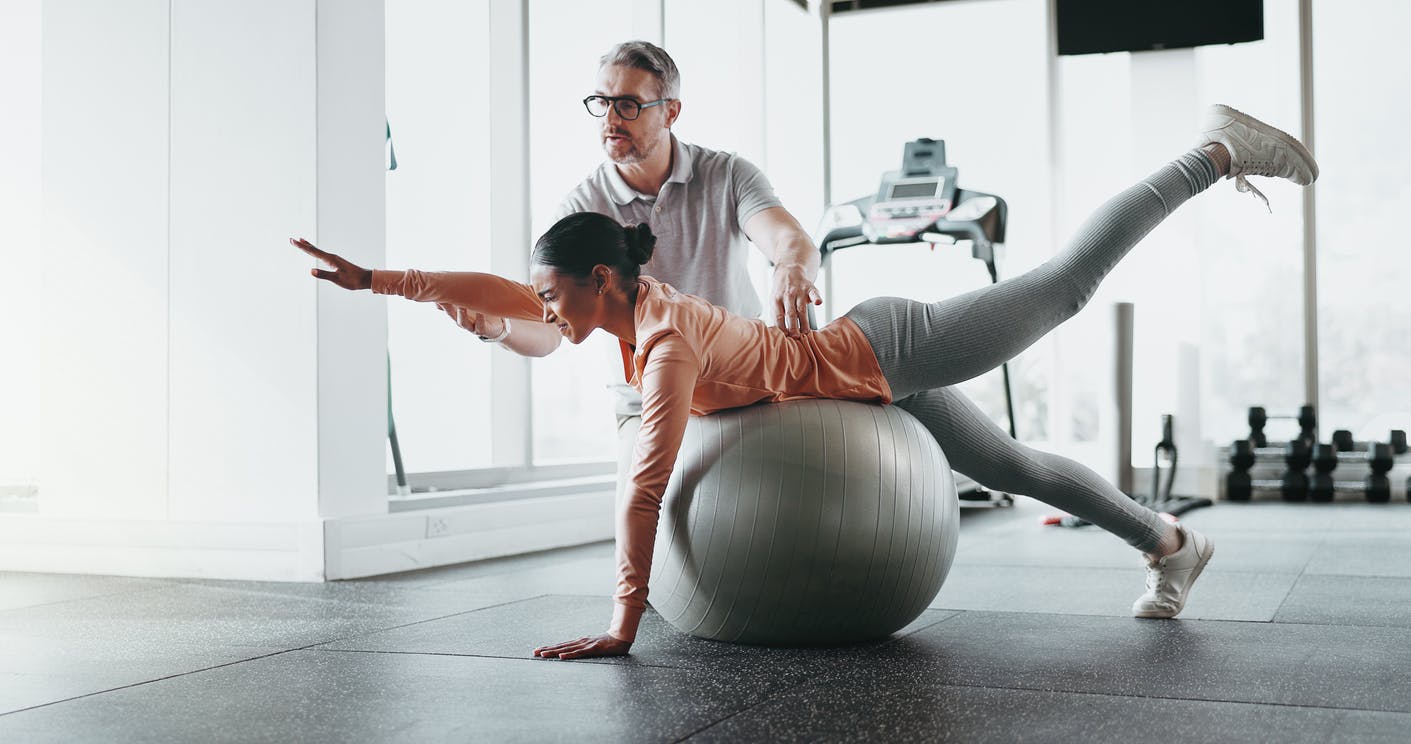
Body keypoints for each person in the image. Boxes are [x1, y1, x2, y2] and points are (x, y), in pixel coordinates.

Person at [293, 104, 1317, 659]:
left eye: (555, 298)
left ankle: (1215, 151)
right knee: (1008, 466)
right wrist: (382, 281)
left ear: (602, 281)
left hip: (882, 354)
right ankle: (1172, 545)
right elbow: (501, 292)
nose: (542, 311)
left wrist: (622, 620)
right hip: (853, 391)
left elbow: (648, 487)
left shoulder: (662, 348)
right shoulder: (610, 298)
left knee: (1063, 287)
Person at [438, 40, 822, 502]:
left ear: (671, 112)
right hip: (645, 402)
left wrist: (791, 267)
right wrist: (498, 329)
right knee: (644, 525)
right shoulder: (582, 207)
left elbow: (786, 238)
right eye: (601, 103)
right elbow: (551, 328)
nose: (610, 119)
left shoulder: (728, 175)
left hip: (740, 387)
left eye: (628, 105)